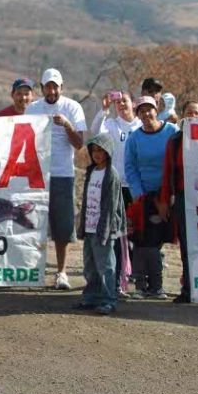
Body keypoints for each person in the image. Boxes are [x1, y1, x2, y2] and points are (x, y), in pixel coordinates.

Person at [26, 68, 86, 290]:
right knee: (33, 225)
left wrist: (67, 125)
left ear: (62, 87)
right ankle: (34, 270)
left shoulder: (72, 108)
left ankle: (61, 272)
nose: (51, 90)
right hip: (37, 176)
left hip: (63, 175)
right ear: (41, 88)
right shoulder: (33, 109)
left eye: (55, 86)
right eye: (47, 86)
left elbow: (80, 144)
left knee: (62, 227)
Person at [124, 96, 179, 299]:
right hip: (144, 198)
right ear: (137, 114)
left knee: (158, 243)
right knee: (141, 243)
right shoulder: (134, 138)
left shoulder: (172, 132)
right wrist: (140, 196)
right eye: (141, 111)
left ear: (157, 110)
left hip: (169, 195)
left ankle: (157, 286)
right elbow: (130, 168)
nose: (146, 114)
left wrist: (167, 197)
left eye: (149, 110)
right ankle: (141, 286)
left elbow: (180, 161)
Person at [89, 90, 141, 296]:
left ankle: (138, 279)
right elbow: (95, 133)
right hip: (115, 185)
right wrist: (103, 110)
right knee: (118, 235)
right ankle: (118, 280)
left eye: (124, 101)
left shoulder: (139, 125)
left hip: (135, 187)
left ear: (133, 103)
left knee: (137, 234)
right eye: (117, 102)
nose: (120, 105)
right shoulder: (111, 124)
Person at [73, 133, 125, 315]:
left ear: (108, 153)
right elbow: (87, 200)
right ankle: (91, 298)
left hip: (104, 228)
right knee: (90, 265)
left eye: (101, 151)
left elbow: (111, 205)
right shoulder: (91, 171)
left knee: (106, 266)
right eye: (94, 150)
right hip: (89, 226)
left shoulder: (111, 175)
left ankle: (109, 300)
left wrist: (105, 229)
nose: (97, 154)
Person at [158, 100, 198, 303]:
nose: (193, 116)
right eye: (189, 112)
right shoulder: (175, 141)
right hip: (184, 199)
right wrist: (165, 200)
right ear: (183, 115)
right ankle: (188, 289)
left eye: (197, 112)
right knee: (187, 244)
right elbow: (168, 173)